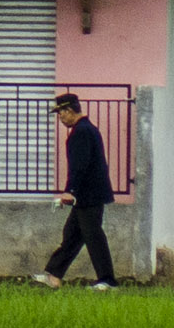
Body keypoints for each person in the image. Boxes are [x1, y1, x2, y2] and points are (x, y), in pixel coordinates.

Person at [36, 90, 115, 289]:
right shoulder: (86, 129)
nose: (60, 118)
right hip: (88, 194)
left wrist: (70, 190)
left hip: (89, 195)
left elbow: (80, 165)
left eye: (61, 113)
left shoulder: (81, 132)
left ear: (69, 111)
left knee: (94, 237)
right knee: (72, 236)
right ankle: (54, 275)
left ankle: (108, 280)